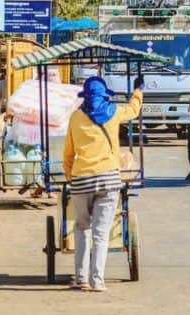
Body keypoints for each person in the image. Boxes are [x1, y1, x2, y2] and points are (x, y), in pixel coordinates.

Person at [63, 76, 143, 292]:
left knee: (81, 227)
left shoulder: (75, 118)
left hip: (81, 180)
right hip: (109, 178)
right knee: (101, 233)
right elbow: (133, 110)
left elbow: (68, 154)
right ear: (104, 96)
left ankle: (81, 278)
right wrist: (138, 91)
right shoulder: (113, 112)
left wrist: (72, 178)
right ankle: (97, 280)